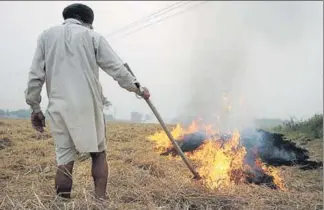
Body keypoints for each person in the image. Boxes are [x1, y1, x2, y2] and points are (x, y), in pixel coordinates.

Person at [25, 3, 150, 200]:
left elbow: (35, 76)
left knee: (64, 160)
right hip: (88, 106)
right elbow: (116, 68)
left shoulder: (46, 37)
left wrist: (34, 107)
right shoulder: (92, 36)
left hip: (58, 107)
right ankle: (100, 202)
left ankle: (63, 204)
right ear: (87, 22)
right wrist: (138, 89)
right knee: (98, 154)